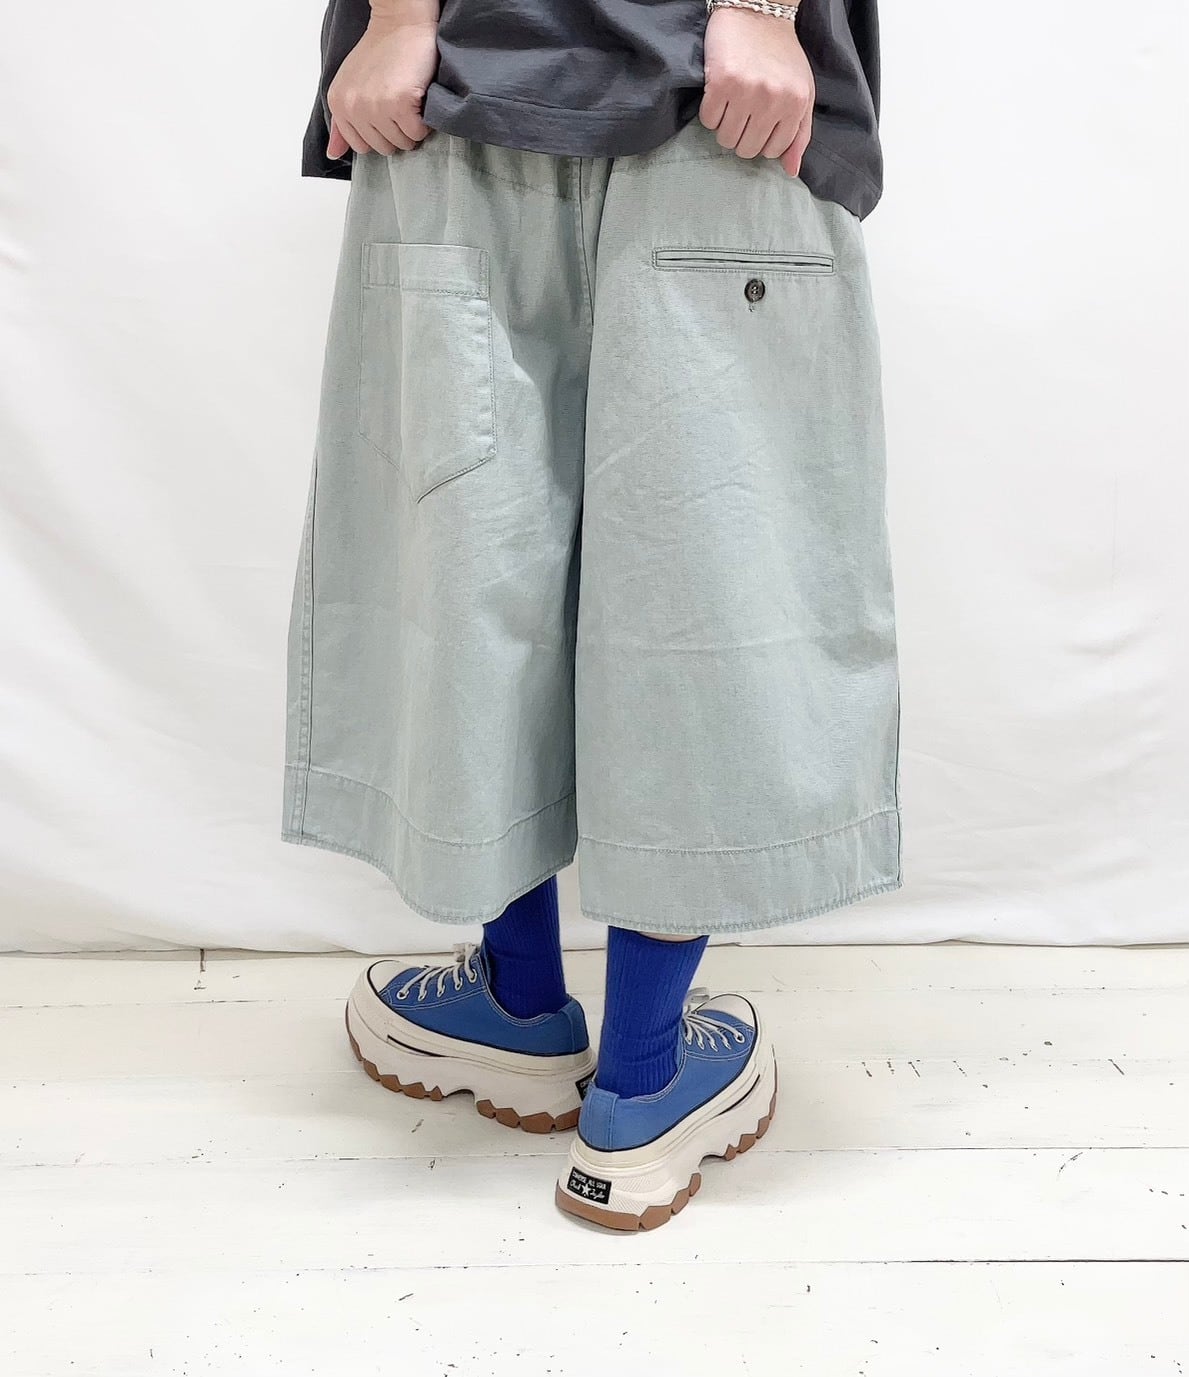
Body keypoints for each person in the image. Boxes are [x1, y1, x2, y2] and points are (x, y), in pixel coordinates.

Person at [283, 0, 901, 1231]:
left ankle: (524, 1005)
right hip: (703, 102)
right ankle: (639, 1075)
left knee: (468, 567)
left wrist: (402, 18)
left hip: (478, 89)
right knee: (706, 585)